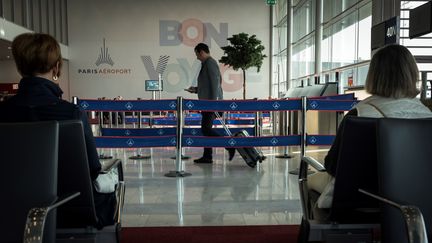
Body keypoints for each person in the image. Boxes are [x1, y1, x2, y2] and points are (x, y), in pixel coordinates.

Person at [0, 33, 117, 226]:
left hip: (10, 211)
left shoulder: (3, 113)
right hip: (70, 209)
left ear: (20, 68)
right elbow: (92, 169)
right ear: (57, 67)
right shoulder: (72, 114)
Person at [308, 44, 432, 208]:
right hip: (418, 201)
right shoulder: (427, 115)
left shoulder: (359, 114)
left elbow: (333, 165)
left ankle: (314, 230)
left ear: (374, 75)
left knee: (309, 179)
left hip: (358, 200)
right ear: (411, 74)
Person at [186, 43, 235, 163]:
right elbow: (208, 85)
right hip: (209, 103)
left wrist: (213, 104)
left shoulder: (210, 63)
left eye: (197, 54)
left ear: (201, 52)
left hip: (211, 103)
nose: (197, 57)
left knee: (206, 129)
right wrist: (196, 89)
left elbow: (215, 84)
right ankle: (207, 156)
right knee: (206, 130)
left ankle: (229, 145)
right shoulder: (207, 63)